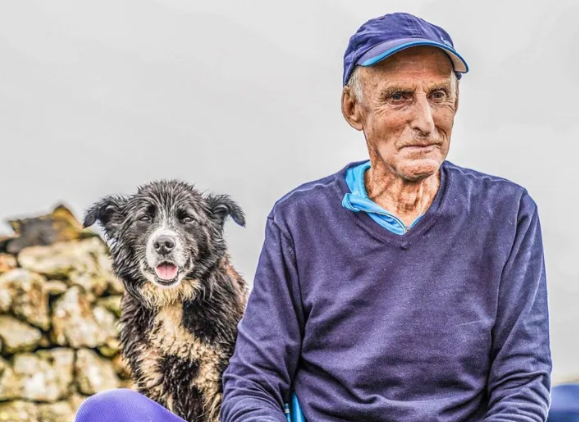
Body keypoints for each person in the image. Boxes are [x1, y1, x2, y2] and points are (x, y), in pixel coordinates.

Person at [220, 12, 552, 422]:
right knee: (118, 409)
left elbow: (522, 382)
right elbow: (254, 381)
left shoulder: (507, 212)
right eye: (399, 97)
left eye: (438, 95)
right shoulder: (298, 220)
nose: (426, 122)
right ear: (353, 108)